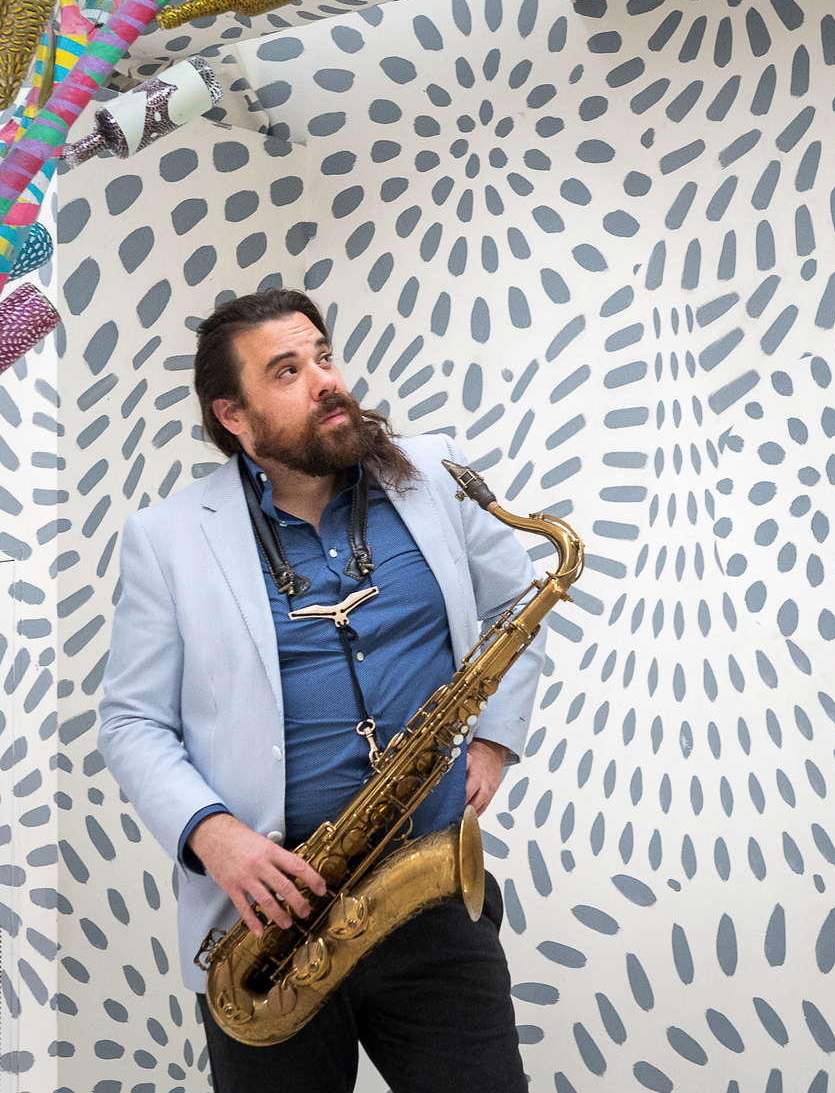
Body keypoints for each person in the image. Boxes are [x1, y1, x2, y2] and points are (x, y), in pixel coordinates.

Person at [98, 288, 544, 1093]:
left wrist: (493, 739)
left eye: (324, 357)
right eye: (288, 371)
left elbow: (515, 604)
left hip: (430, 891)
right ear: (233, 415)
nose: (327, 380)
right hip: (271, 924)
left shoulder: (434, 474)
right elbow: (132, 722)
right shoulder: (166, 538)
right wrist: (215, 837)